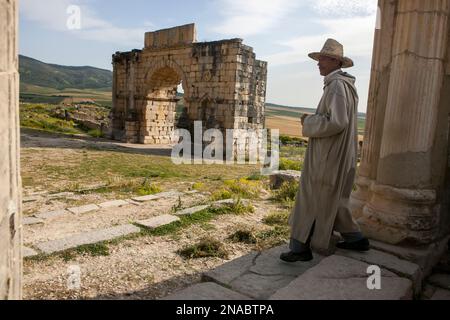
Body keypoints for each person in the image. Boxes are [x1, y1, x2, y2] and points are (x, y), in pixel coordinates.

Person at [280, 39, 370, 263]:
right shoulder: (341, 84)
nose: (318, 63)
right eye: (318, 59)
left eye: (322, 59)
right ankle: (355, 238)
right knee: (334, 198)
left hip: (328, 154)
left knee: (311, 198)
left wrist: (308, 121)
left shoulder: (337, 86)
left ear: (334, 61)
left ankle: (300, 248)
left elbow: (337, 122)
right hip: (336, 153)